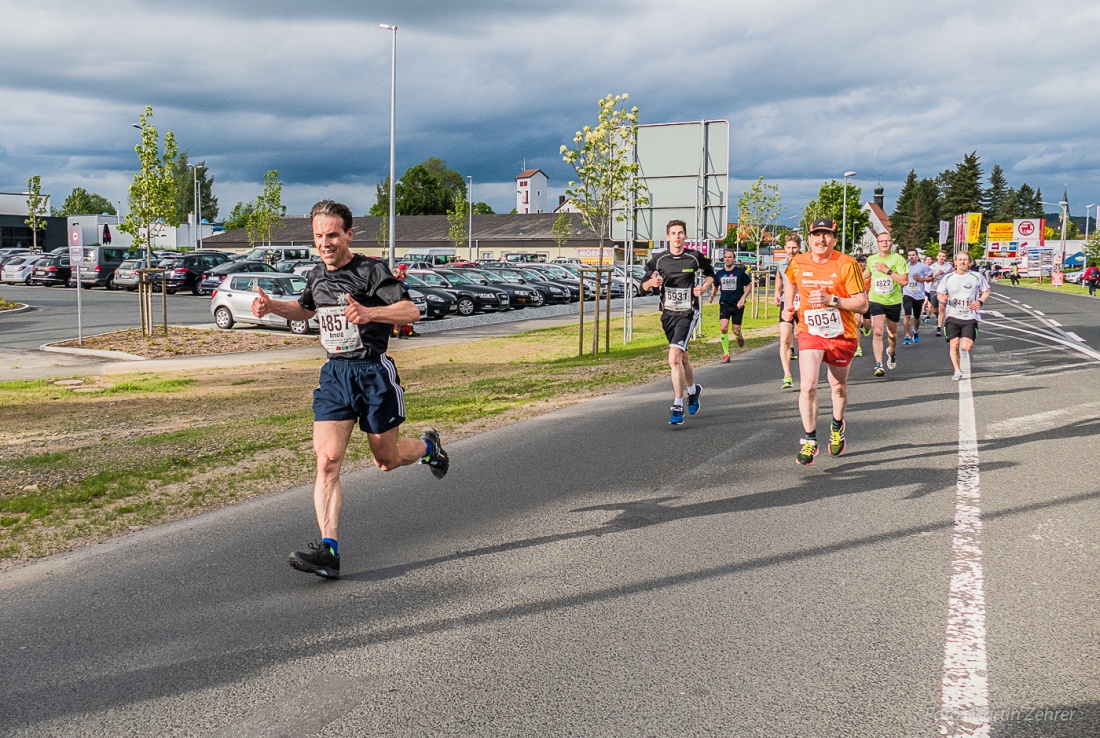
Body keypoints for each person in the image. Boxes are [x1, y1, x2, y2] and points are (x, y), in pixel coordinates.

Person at [251, 199, 449, 579]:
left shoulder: (372, 271)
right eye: (318, 236)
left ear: (349, 235)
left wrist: (370, 313)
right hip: (335, 375)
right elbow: (306, 310)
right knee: (326, 462)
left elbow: (411, 311)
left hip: (373, 373)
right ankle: (329, 550)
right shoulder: (316, 276)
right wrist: (272, 306)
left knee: (385, 460)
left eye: (332, 235)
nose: (325, 243)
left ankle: (428, 448)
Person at [783, 218, 869, 465]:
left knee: (838, 387)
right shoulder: (798, 262)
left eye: (827, 235)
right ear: (809, 239)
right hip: (810, 330)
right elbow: (790, 278)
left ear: (834, 238)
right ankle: (810, 440)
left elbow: (862, 304)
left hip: (842, 334)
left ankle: (837, 424)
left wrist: (833, 301)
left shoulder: (846, 264)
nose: (821, 240)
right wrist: (790, 304)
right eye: (816, 235)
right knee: (808, 386)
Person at [641, 219, 715, 425]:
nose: (677, 236)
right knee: (682, 359)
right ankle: (693, 391)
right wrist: (650, 283)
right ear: (667, 237)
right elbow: (642, 285)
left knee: (673, 358)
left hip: (688, 313)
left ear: (685, 236)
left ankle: (677, 405)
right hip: (667, 315)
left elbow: (711, 274)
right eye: (673, 233)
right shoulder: (658, 260)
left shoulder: (694, 257)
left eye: (680, 233)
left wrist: (704, 287)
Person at [937, 251, 991, 381]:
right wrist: (942, 299)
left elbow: (986, 290)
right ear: (955, 262)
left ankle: (965, 338)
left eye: (965, 260)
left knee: (966, 347)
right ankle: (957, 370)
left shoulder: (977, 276)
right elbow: (939, 292)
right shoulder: (948, 278)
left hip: (970, 317)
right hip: (952, 315)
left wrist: (980, 301)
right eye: (960, 259)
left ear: (969, 262)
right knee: (953, 345)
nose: (962, 262)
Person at [863, 232, 908, 377]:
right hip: (876, 300)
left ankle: (891, 351)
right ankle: (878, 364)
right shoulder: (871, 259)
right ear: (877, 244)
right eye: (881, 241)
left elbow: (904, 281)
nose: (884, 243)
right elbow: (865, 275)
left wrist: (887, 271)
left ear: (891, 243)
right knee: (877, 331)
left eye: (887, 241)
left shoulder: (898, 259)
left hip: (893, 301)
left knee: (892, 333)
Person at [709, 249, 752, 363]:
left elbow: (749, 285)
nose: (727, 259)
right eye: (726, 257)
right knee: (723, 328)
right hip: (725, 304)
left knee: (735, 331)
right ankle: (726, 354)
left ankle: (739, 336)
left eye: (730, 257)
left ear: (734, 259)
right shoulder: (720, 273)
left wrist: (743, 299)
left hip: (738, 304)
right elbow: (715, 285)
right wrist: (712, 296)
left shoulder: (740, 272)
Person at [774, 233, 802, 388]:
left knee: (805, 340)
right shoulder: (782, 263)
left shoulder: (806, 262)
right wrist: (777, 292)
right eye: (788, 247)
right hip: (787, 304)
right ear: (784, 248)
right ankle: (787, 375)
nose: (791, 250)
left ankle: (807, 373)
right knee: (784, 338)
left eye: (794, 247)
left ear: (799, 248)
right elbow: (779, 277)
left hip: (804, 305)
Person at [901, 248, 933, 344]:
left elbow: (932, 278)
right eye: (910, 255)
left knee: (917, 316)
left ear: (917, 256)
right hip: (907, 293)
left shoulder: (923, 267)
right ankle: (907, 335)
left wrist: (921, 279)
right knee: (907, 314)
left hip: (918, 295)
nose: (911, 257)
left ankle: (915, 330)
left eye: (913, 255)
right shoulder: (904, 266)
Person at [927, 250, 953, 337]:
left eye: (943, 256)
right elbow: (928, 278)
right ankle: (939, 318)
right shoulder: (932, 267)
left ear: (945, 258)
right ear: (937, 257)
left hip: (944, 291)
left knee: (942, 308)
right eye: (940, 256)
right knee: (935, 309)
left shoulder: (948, 266)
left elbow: (953, 276)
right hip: (934, 289)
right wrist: (937, 274)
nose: (942, 258)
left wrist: (950, 274)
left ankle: (939, 328)